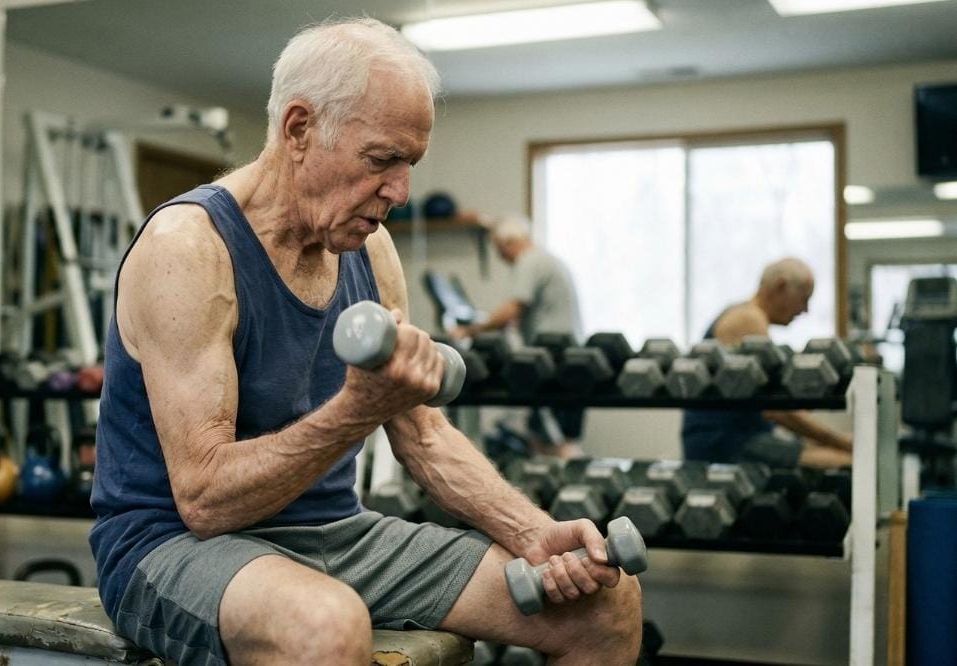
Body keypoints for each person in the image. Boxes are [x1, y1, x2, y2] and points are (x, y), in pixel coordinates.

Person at [88, 17, 641, 666]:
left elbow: (424, 437)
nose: (399, 192)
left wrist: (533, 533)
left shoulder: (370, 249)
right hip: (171, 544)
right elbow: (205, 499)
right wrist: (357, 408)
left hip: (335, 534)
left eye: (409, 164)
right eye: (381, 160)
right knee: (325, 627)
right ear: (299, 130)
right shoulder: (187, 248)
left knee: (605, 607)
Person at [682, 257, 853, 468]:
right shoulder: (747, 320)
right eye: (804, 299)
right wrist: (840, 442)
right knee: (850, 461)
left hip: (747, 434)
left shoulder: (748, 315)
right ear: (780, 285)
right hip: (724, 440)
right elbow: (774, 409)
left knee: (836, 453)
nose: (805, 310)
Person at [449, 216, 586, 458]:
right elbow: (516, 317)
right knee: (546, 438)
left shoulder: (530, 262)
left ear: (509, 242)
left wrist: (470, 330)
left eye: (500, 251)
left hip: (554, 359)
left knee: (556, 442)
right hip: (566, 355)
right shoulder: (546, 259)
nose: (501, 258)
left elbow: (513, 309)